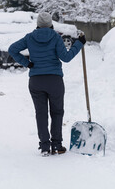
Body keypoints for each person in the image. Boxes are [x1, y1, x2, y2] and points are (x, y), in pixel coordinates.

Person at [8, 12, 86, 156]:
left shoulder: (30, 37)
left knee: (41, 113)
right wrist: (79, 44)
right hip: (54, 80)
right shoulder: (55, 37)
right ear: (51, 24)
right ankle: (56, 145)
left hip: (36, 81)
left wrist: (27, 63)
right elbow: (66, 57)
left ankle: (44, 147)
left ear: (37, 24)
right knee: (57, 112)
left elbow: (12, 49)